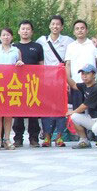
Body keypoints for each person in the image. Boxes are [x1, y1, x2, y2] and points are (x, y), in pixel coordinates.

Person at [36, 15, 74, 147]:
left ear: (62, 27)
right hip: (46, 81)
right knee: (46, 109)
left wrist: (68, 81)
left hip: (61, 80)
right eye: (53, 24)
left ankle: (59, 136)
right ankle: (47, 136)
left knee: (61, 109)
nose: (55, 26)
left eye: (58, 24)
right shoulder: (41, 40)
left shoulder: (68, 41)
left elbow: (70, 61)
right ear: (49, 26)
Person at [0, 27, 24, 150]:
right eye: (3, 35)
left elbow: (21, 65)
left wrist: (20, 63)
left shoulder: (16, 50)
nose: (6, 37)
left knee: (9, 113)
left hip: (11, 85)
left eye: (8, 35)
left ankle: (7, 139)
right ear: (0, 37)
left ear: (12, 37)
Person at [67, 64, 97, 149]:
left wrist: (72, 111)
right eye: (82, 73)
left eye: (87, 73)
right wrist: (65, 75)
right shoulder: (85, 85)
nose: (84, 76)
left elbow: (85, 106)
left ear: (94, 75)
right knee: (74, 117)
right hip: (93, 119)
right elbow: (73, 85)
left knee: (96, 129)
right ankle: (84, 141)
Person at [12, 20, 45, 147]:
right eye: (23, 29)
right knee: (18, 112)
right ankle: (18, 138)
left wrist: (41, 81)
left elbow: (41, 66)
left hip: (33, 83)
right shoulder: (14, 47)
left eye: (28, 29)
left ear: (32, 32)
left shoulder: (37, 47)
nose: (25, 31)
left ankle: (34, 138)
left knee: (33, 112)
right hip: (17, 84)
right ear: (18, 31)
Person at [65, 20, 97, 111]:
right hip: (76, 84)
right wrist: (67, 81)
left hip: (91, 85)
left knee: (92, 112)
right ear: (74, 32)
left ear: (87, 30)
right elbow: (68, 65)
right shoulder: (70, 46)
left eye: (82, 28)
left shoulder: (93, 44)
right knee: (77, 113)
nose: (80, 30)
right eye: (77, 29)